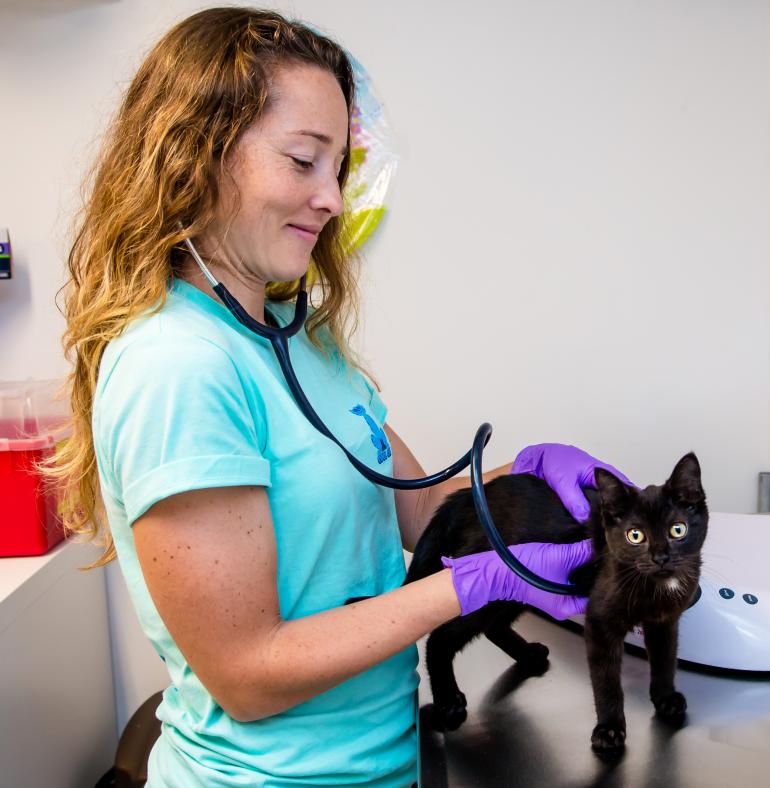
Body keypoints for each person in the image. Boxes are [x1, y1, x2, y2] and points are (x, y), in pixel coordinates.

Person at [47, 8, 631, 787]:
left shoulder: (298, 335)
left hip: (383, 762)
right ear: (196, 156)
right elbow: (247, 676)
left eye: (338, 169)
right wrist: (465, 588)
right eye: (302, 161)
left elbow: (418, 512)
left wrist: (526, 478)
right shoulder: (176, 367)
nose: (330, 199)